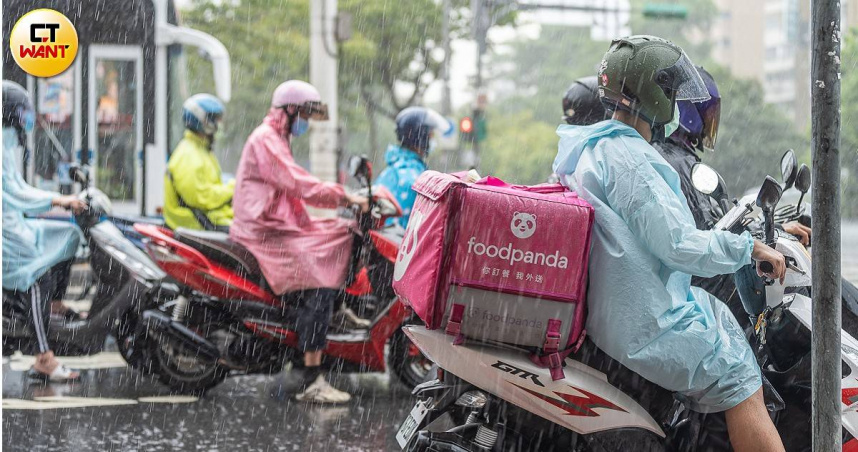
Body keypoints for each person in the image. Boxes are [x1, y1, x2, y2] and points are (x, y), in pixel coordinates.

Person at [552, 36, 786, 452]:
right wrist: (749, 249)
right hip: (641, 320)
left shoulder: (592, 145)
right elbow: (679, 245)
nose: (676, 104)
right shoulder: (632, 160)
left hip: (613, 306)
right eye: (672, 93)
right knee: (739, 376)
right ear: (654, 94)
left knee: (720, 322)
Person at [230, 80, 368, 404]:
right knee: (319, 280)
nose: (307, 121)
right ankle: (311, 377)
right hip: (263, 232)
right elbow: (296, 181)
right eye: (305, 114)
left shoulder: (277, 137)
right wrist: (344, 196)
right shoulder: (266, 139)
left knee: (341, 233)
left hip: (277, 226)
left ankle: (337, 308)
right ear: (290, 110)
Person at [2, 80, 84, 382]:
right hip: (6, 233)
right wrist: (56, 200)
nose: (28, 117)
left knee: (68, 235)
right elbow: (13, 193)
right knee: (38, 277)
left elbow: (18, 187)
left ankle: (53, 303)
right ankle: (44, 359)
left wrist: (56, 201)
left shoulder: (7, 141)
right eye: (23, 110)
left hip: (15, 223)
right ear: (11, 112)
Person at [163, 94, 234, 231]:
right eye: (215, 119)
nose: (218, 124)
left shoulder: (201, 149)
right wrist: (232, 189)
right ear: (203, 120)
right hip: (197, 223)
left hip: (209, 218)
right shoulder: (188, 155)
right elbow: (201, 198)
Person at [376, 106, 449, 228]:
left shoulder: (393, 168)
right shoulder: (413, 175)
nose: (432, 138)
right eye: (430, 134)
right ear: (421, 136)